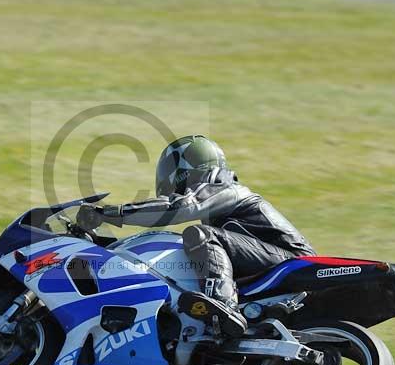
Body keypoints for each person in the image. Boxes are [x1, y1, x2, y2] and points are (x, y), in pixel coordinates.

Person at [76, 135, 315, 338]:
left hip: (292, 262)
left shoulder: (222, 187)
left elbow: (177, 208)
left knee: (199, 235)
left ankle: (223, 305)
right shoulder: (219, 203)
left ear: (183, 170)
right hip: (275, 264)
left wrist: (111, 213)